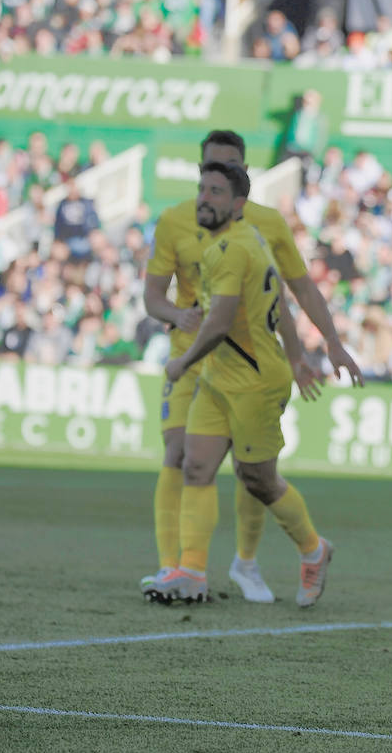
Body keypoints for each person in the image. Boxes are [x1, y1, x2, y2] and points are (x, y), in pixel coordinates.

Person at [142, 129, 362, 602]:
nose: (206, 195)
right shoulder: (194, 228)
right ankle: (189, 572)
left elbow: (274, 299)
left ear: (240, 194)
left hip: (247, 373)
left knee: (256, 477)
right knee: (192, 463)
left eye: (218, 186)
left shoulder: (245, 240)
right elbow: (267, 296)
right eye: (204, 182)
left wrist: (313, 349)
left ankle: (306, 549)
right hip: (214, 370)